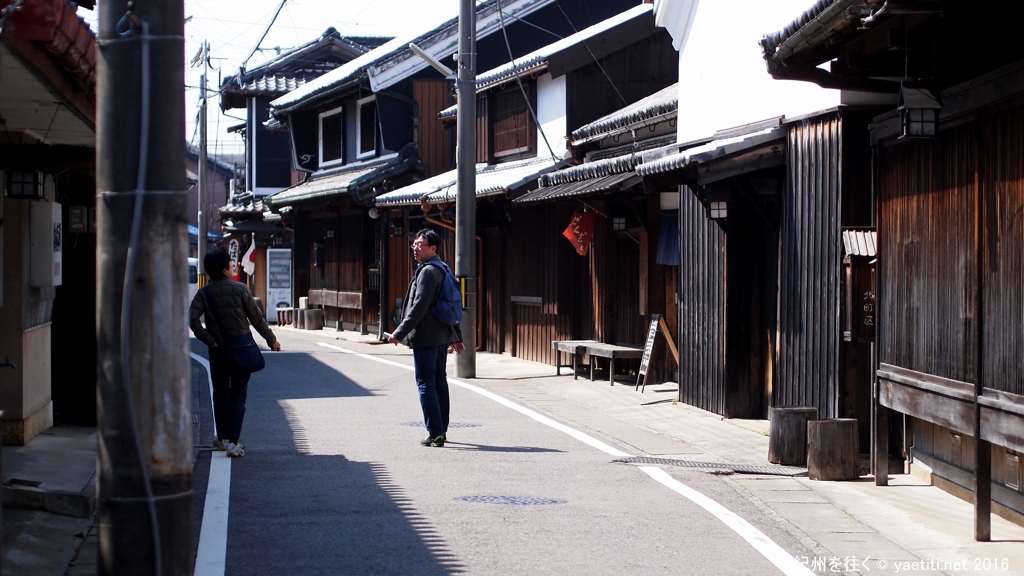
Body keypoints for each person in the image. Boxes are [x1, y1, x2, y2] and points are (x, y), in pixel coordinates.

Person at [190, 249, 281, 458]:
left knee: (220, 393)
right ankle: (233, 442)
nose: (233, 267)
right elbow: (257, 319)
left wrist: (209, 340)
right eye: (231, 264)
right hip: (241, 347)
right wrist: (271, 340)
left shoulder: (203, 294)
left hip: (218, 350)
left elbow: (192, 320)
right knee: (238, 393)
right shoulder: (241, 289)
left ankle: (222, 439)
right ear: (225, 268)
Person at [388, 229, 465, 447]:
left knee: (425, 383)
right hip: (442, 336)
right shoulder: (443, 269)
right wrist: (456, 336)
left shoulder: (428, 272)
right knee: (439, 381)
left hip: (426, 337)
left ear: (433, 248)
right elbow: (451, 305)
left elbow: (418, 307)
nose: (415, 248)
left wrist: (399, 333)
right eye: (414, 244)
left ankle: (435, 432)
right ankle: (441, 428)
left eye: (421, 244)